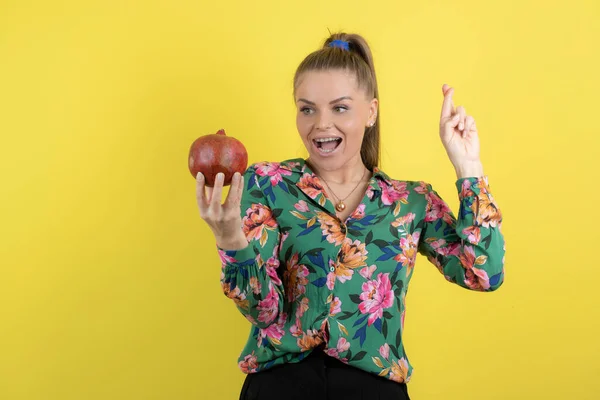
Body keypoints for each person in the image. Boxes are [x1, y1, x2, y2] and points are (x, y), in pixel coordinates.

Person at [196, 32, 505, 400]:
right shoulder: (268, 185)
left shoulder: (411, 201)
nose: (321, 124)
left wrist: (468, 166)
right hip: (281, 388)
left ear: (370, 111)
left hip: (374, 391)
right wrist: (231, 239)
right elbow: (265, 311)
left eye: (340, 107)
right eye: (307, 108)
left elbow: (483, 273)